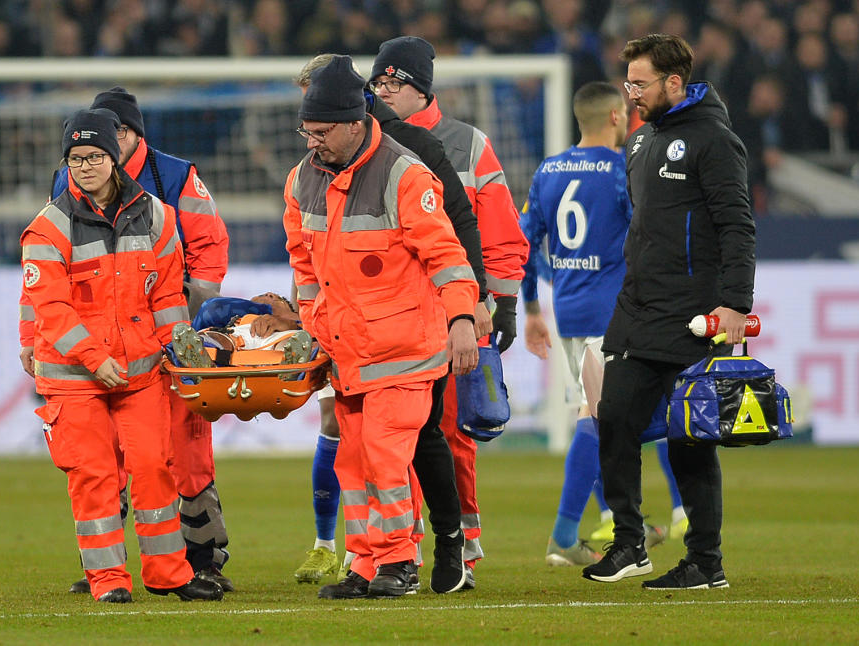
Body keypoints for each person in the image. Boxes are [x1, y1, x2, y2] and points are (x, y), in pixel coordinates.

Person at [291, 54, 492, 595]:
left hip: (404, 348)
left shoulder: (405, 174)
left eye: (322, 131)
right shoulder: (300, 182)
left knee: (385, 456)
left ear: (356, 123)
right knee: (353, 467)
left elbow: (447, 255)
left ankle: (400, 563)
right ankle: (365, 565)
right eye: (306, 131)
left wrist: (463, 319)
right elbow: (304, 265)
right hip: (347, 350)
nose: (313, 142)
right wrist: (314, 326)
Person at [19, 87, 233, 594]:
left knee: (158, 470)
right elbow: (50, 305)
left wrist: (183, 348)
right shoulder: (47, 228)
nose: (86, 166)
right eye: (76, 158)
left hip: (139, 371)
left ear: (117, 157)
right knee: (95, 476)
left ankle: (171, 574)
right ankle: (108, 579)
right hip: (77, 375)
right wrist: (90, 356)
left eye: (95, 156)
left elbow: (167, 297)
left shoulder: (158, 212)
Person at [581, 34, 755, 589]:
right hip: (637, 308)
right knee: (613, 422)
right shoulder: (639, 143)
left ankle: (706, 561)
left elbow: (737, 227)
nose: (631, 94)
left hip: (693, 314)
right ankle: (630, 544)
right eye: (628, 83)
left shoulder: (714, 140)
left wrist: (734, 303)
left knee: (690, 440)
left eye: (640, 83)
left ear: (673, 83)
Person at [370, 35, 530, 588]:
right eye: (379, 83)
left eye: (394, 83)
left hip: (457, 305)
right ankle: (397, 547)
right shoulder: (370, 143)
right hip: (397, 308)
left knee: (451, 432)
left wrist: (501, 302)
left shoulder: (468, 145)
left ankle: (463, 548)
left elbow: (500, 230)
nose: (384, 92)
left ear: (421, 88)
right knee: (401, 432)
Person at [520, 81, 683, 568]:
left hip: (569, 313)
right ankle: (571, 535)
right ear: (618, 117)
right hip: (613, 316)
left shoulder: (549, 170)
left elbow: (525, 243)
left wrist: (531, 310)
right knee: (608, 419)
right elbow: (647, 238)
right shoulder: (621, 171)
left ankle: (621, 524)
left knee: (594, 416)